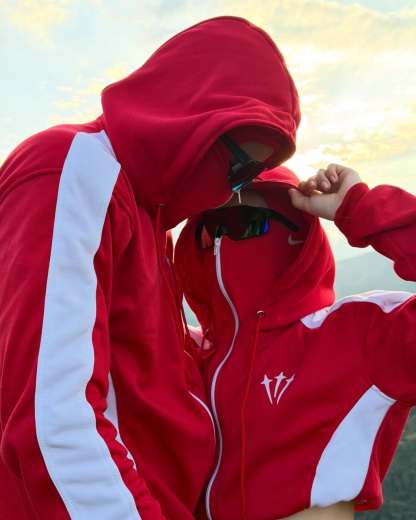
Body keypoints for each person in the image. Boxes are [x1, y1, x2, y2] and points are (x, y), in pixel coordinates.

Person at [0, 16, 301, 520]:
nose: (230, 193)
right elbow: (52, 417)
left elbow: (133, 362)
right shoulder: (70, 171)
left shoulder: (148, 216)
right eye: (240, 168)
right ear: (191, 118)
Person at [174, 163, 416, 520]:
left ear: (297, 232)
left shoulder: (359, 333)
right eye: (210, 229)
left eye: (246, 221)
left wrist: (359, 208)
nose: (223, 240)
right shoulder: (190, 352)